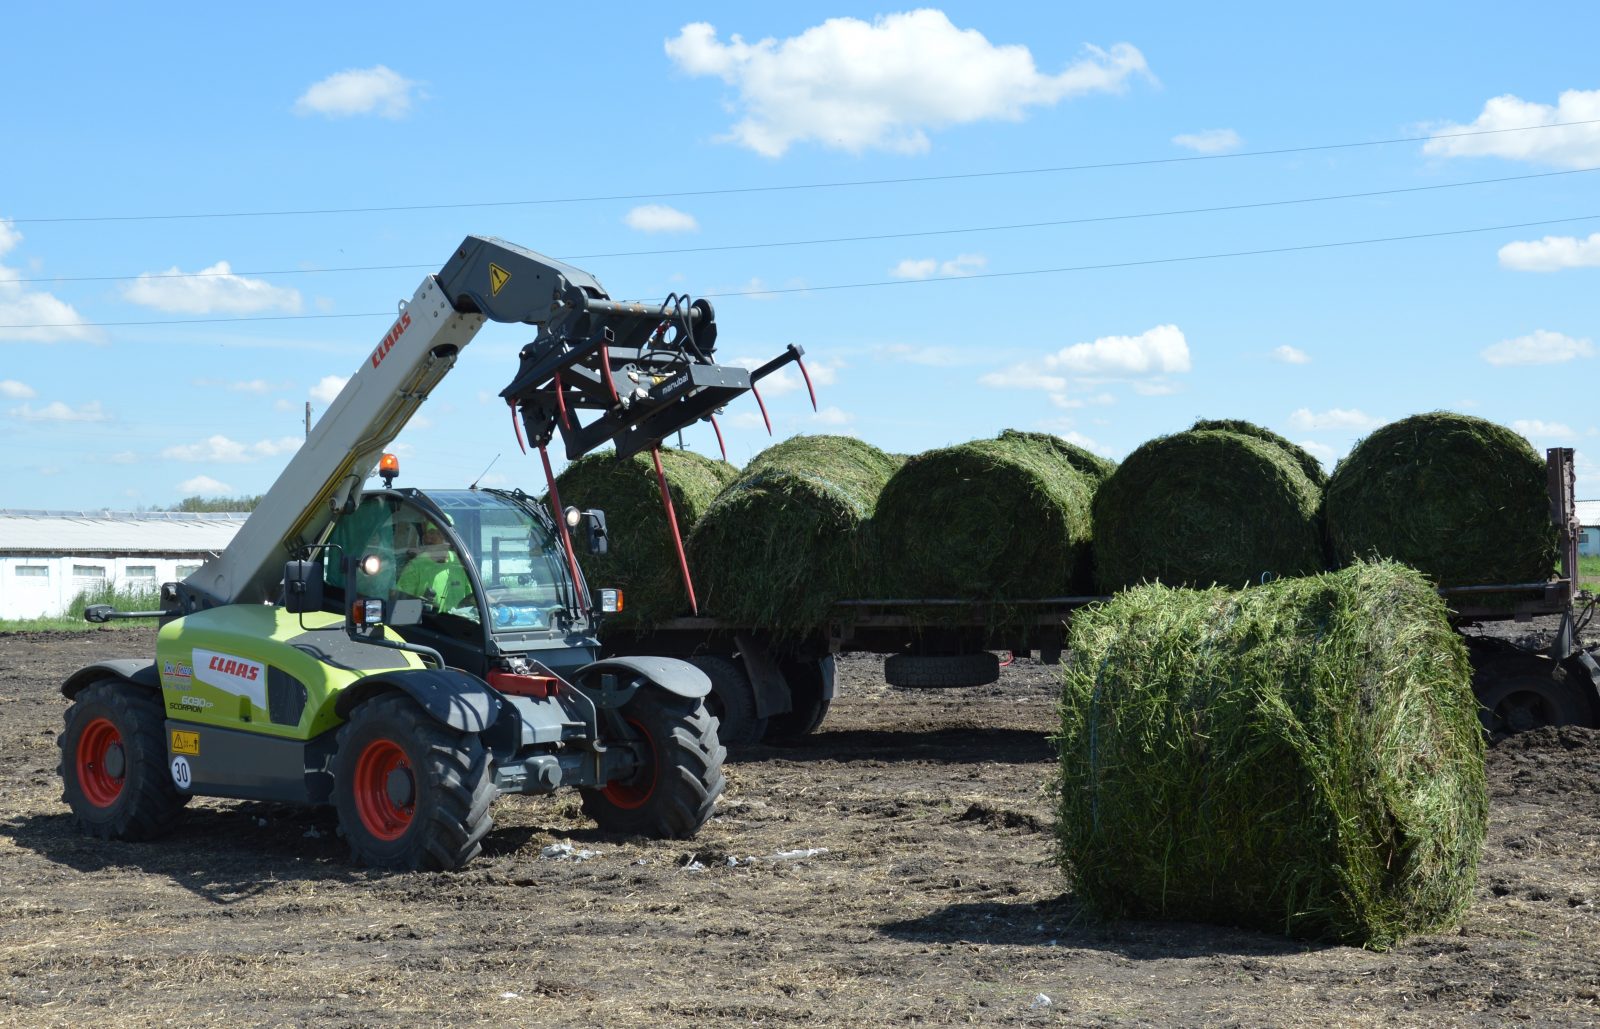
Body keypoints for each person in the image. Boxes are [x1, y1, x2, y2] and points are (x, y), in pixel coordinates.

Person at [396, 522, 477, 617]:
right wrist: (420, 606)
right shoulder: (415, 566)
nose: (441, 538)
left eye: (446, 534)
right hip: (431, 627)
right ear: (427, 538)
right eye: (434, 533)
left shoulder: (460, 562)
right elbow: (400, 613)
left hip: (459, 626)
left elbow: (471, 599)